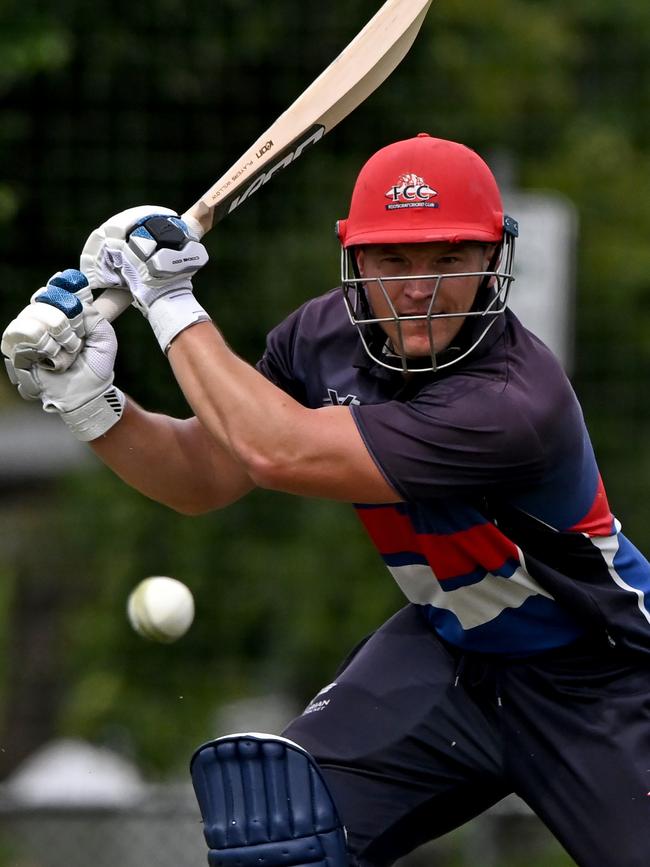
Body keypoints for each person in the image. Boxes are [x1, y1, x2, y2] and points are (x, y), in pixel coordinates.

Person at [3, 133, 650, 867]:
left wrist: (167, 299)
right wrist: (91, 404)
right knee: (279, 833)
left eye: (449, 259)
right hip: (452, 651)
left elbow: (277, 449)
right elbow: (203, 475)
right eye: (394, 259)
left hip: (601, 677)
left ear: (495, 258)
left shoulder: (513, 400)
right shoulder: (321, 339)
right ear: (356, 259)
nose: (419, 289)